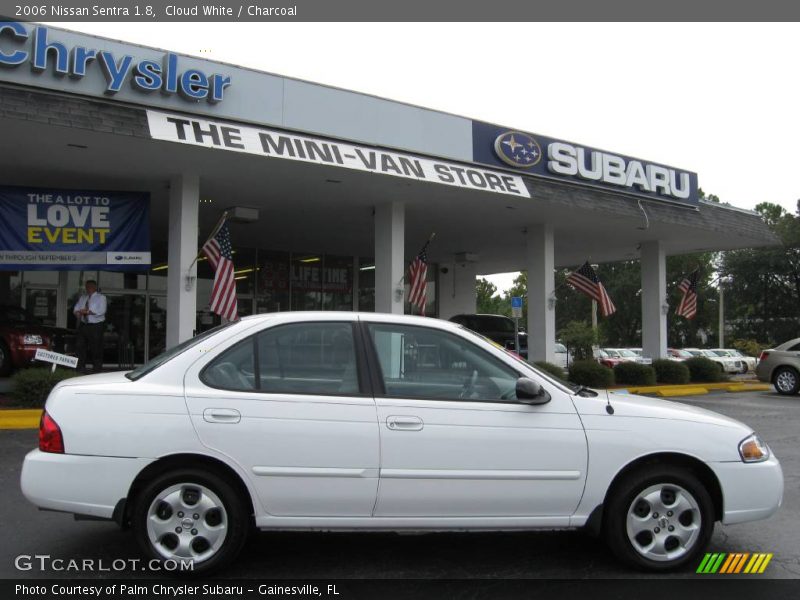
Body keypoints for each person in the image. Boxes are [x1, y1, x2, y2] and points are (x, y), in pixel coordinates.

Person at [73, 280, 107, 373]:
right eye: (87, 286)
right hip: (84, 325)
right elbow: (76, 308)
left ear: (95, 287)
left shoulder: (101, 297)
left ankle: (96, 369)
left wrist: (87, 312)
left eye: (90, 286)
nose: (88, 288)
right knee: (80, 346)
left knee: (96, 348)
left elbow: (102, 311)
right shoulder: (83, 297)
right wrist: (77, 312)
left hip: (96, 326)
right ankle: (80, 368)